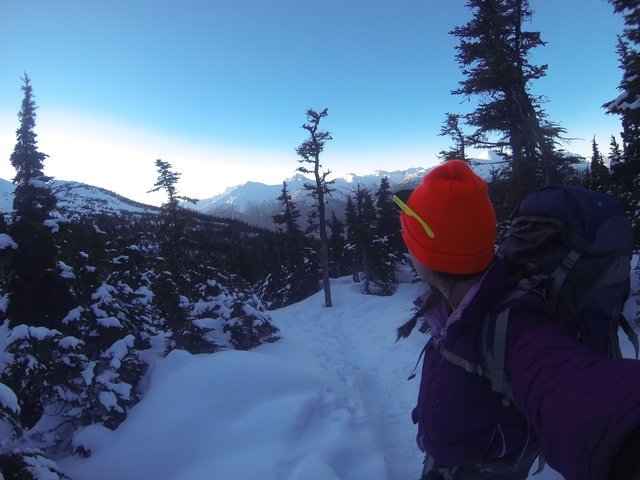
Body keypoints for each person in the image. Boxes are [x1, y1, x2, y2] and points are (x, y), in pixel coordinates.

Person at [394, 160, 640, 480]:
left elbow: (579, 393)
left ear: (426, 253)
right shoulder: (457, 302)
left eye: (407, 236)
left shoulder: (517, 325)